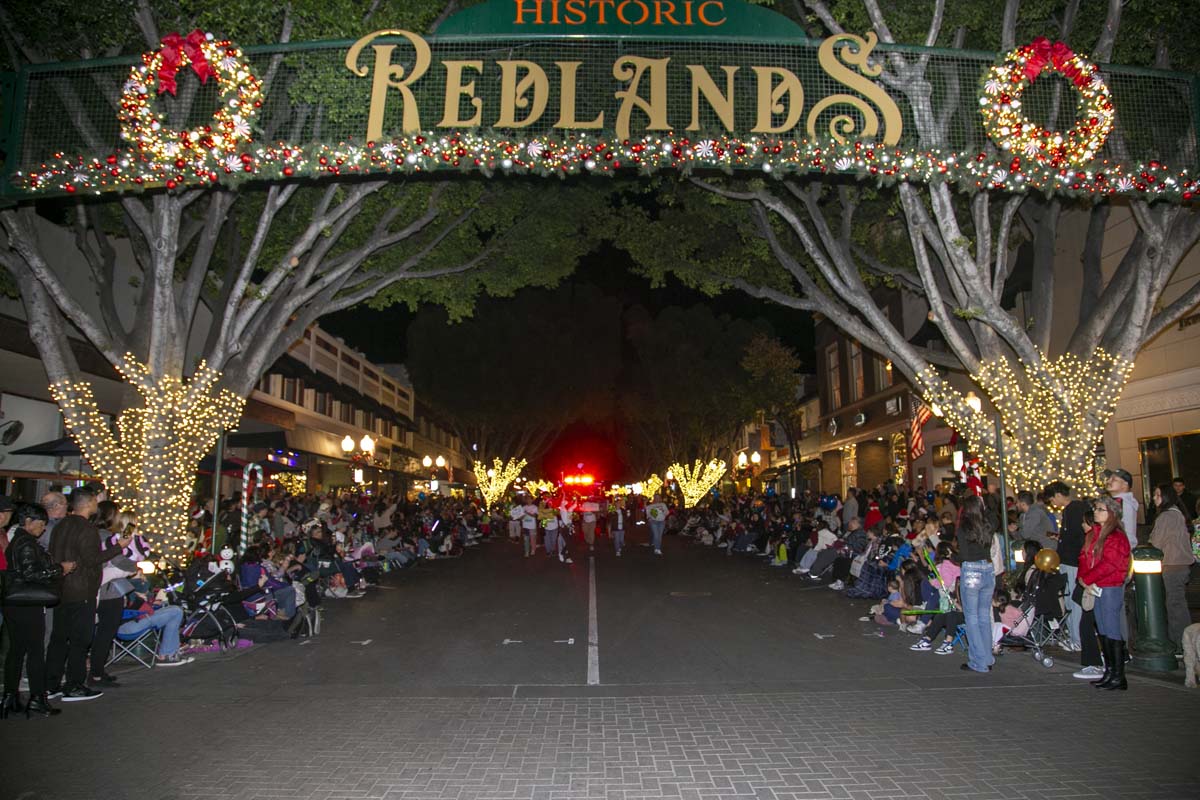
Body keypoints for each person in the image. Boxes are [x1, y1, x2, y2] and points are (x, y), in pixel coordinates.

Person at [46, 487, 129, 702]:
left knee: (59, 638)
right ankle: (74, 684)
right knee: (80, 639)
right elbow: (92, 559)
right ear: (88, 503)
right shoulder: (86, 528)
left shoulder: (60, 526)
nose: (96, 504)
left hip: (62, 588)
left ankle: (51, 683)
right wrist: (118, 547)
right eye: (94, 501)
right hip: (82, 589)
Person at [2, 504, 76, 718]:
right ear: (28, 521)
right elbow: (32, 573)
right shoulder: (26, 543)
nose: (42, 529)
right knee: (35, 651)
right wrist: (59, 569)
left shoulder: (17, 540)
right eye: (41, 524)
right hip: (28, 603)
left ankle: (10, 696)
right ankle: (37, 698)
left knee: (16, 651)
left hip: (14, 604)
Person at [1078, 495, 1132, 691]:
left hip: (1110, 586)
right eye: (1096, 509)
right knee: (1102, 628)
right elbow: (1084, 557)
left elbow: (1111, 564)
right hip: (1096, 586)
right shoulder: (1094, 534)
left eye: (1100, 509)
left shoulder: (1116, 536)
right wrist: (1083, 578)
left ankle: (1118, 675)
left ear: (1111, 513)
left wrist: (1089, 578)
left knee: (1110, 628)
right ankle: (1110, 671)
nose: (1096, 512)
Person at [1149, 484, 1195, 653]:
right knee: (1177, 604)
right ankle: (1183, 643)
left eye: (1157, 494)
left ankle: (1180, 645)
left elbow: (1156, 543)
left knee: (1175, 606)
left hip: (1172, 566)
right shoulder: (1177, 514)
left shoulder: (1166, 517)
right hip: (1180, 565)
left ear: (1166, 497)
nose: (1154, 498)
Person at [957, 494, 995, 674]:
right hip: (987, 568)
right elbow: (993, 514)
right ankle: (987, 656)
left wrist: (952, 556)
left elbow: (964, 554)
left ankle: (978, 661)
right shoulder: (988, 525)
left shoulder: (964, 527)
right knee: (984, 616)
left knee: (971, 617)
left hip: (971, 570)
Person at [1047, 481, 1087, 651]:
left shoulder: (1073, 510)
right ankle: (1074, 637)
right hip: (1071, 560)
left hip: (1072, 561)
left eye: (1051, 499)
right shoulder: (1075, 509)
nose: (1052, 504)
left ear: (1057, 495)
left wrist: (1063, 543)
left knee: (1072, 600)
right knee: (1070, 599)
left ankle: (1076, 639)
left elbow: (1076, 537)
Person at [1105, 468, 1139, 547]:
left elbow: (1129, 533)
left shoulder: (1125, 504)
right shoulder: (1114, 502)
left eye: (1114, 479)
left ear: (1125, 485)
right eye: (1109, 478)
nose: (1108, 481)